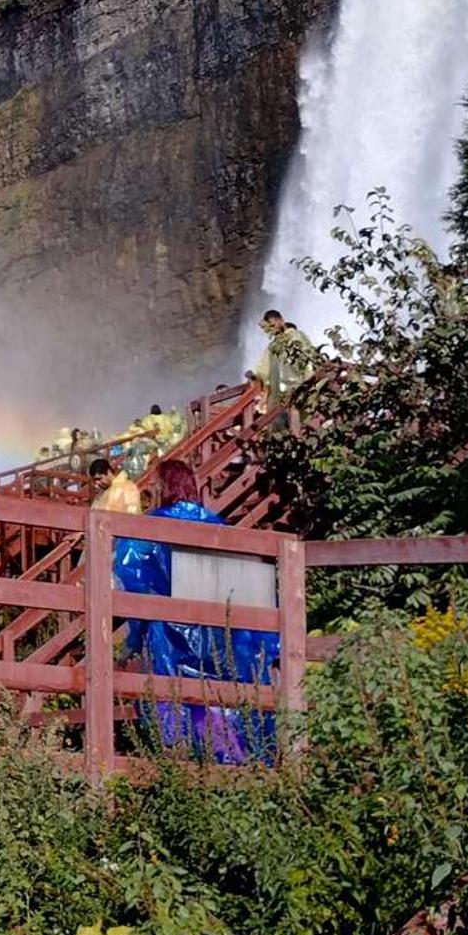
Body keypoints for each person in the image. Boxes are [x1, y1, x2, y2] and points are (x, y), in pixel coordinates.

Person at [112, 460, 279, 764]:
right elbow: (248, 586)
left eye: (155, 486)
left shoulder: (147, 529)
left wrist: (133, 640)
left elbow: (134, 583)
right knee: (223, 700)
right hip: (225, 634)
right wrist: (266, 643)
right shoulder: (220, 527)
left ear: (164, 487)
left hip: (170, 634)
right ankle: (236, 763)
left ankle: (181, 764)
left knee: (175, 701)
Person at [249, 309, 319, 403]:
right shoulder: (273, 346)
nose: (274, 329)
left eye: (274, 324)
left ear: (281, 320)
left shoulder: (296, 336)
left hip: (299, 388)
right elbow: (264, 366)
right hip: (284, 392)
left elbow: (309, 356)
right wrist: (257, 377)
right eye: (271, 327)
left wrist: (311, 379)